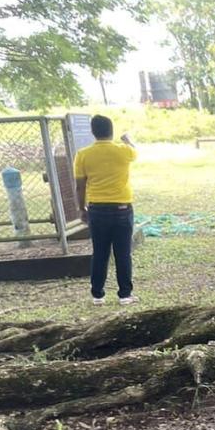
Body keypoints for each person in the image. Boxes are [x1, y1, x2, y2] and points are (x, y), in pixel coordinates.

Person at [74, 115, 138, 306]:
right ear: (111, 130)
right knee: (123, 253)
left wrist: (81, 208)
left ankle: (97, 295)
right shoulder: (124, 151)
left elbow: (80, 185)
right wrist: (127, 139)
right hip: (122, 208)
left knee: (100, 252)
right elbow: (135, 151)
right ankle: (125, 295)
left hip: (97, 209)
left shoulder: (83, 154)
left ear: (93, 132)